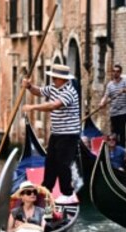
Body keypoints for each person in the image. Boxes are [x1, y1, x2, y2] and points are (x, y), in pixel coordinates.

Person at [22, 64, 81, 204]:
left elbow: (53, 106)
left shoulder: (69, 91)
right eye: (53, 77)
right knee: (50, 163)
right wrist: (30, 87)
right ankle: (45, 190)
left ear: (63, 79)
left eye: (56, 77)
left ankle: (68, 194)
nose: (53, 79)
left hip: (69, 135)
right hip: (56, 133)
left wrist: (32, 107)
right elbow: (39, 91)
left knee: (63, 164)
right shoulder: (54, 87)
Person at [99, 64, 126, 148]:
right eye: (114, 71)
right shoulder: (110, 85)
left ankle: (122, 150)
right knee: (114, 133)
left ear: (120, 73)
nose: (115, 73)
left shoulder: (125, 81)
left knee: (121, 132)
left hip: (123, 111)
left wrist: (124, 90)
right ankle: (115, 149)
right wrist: (102, 103)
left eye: (117, 71)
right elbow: (105, 96)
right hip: (113, 112)